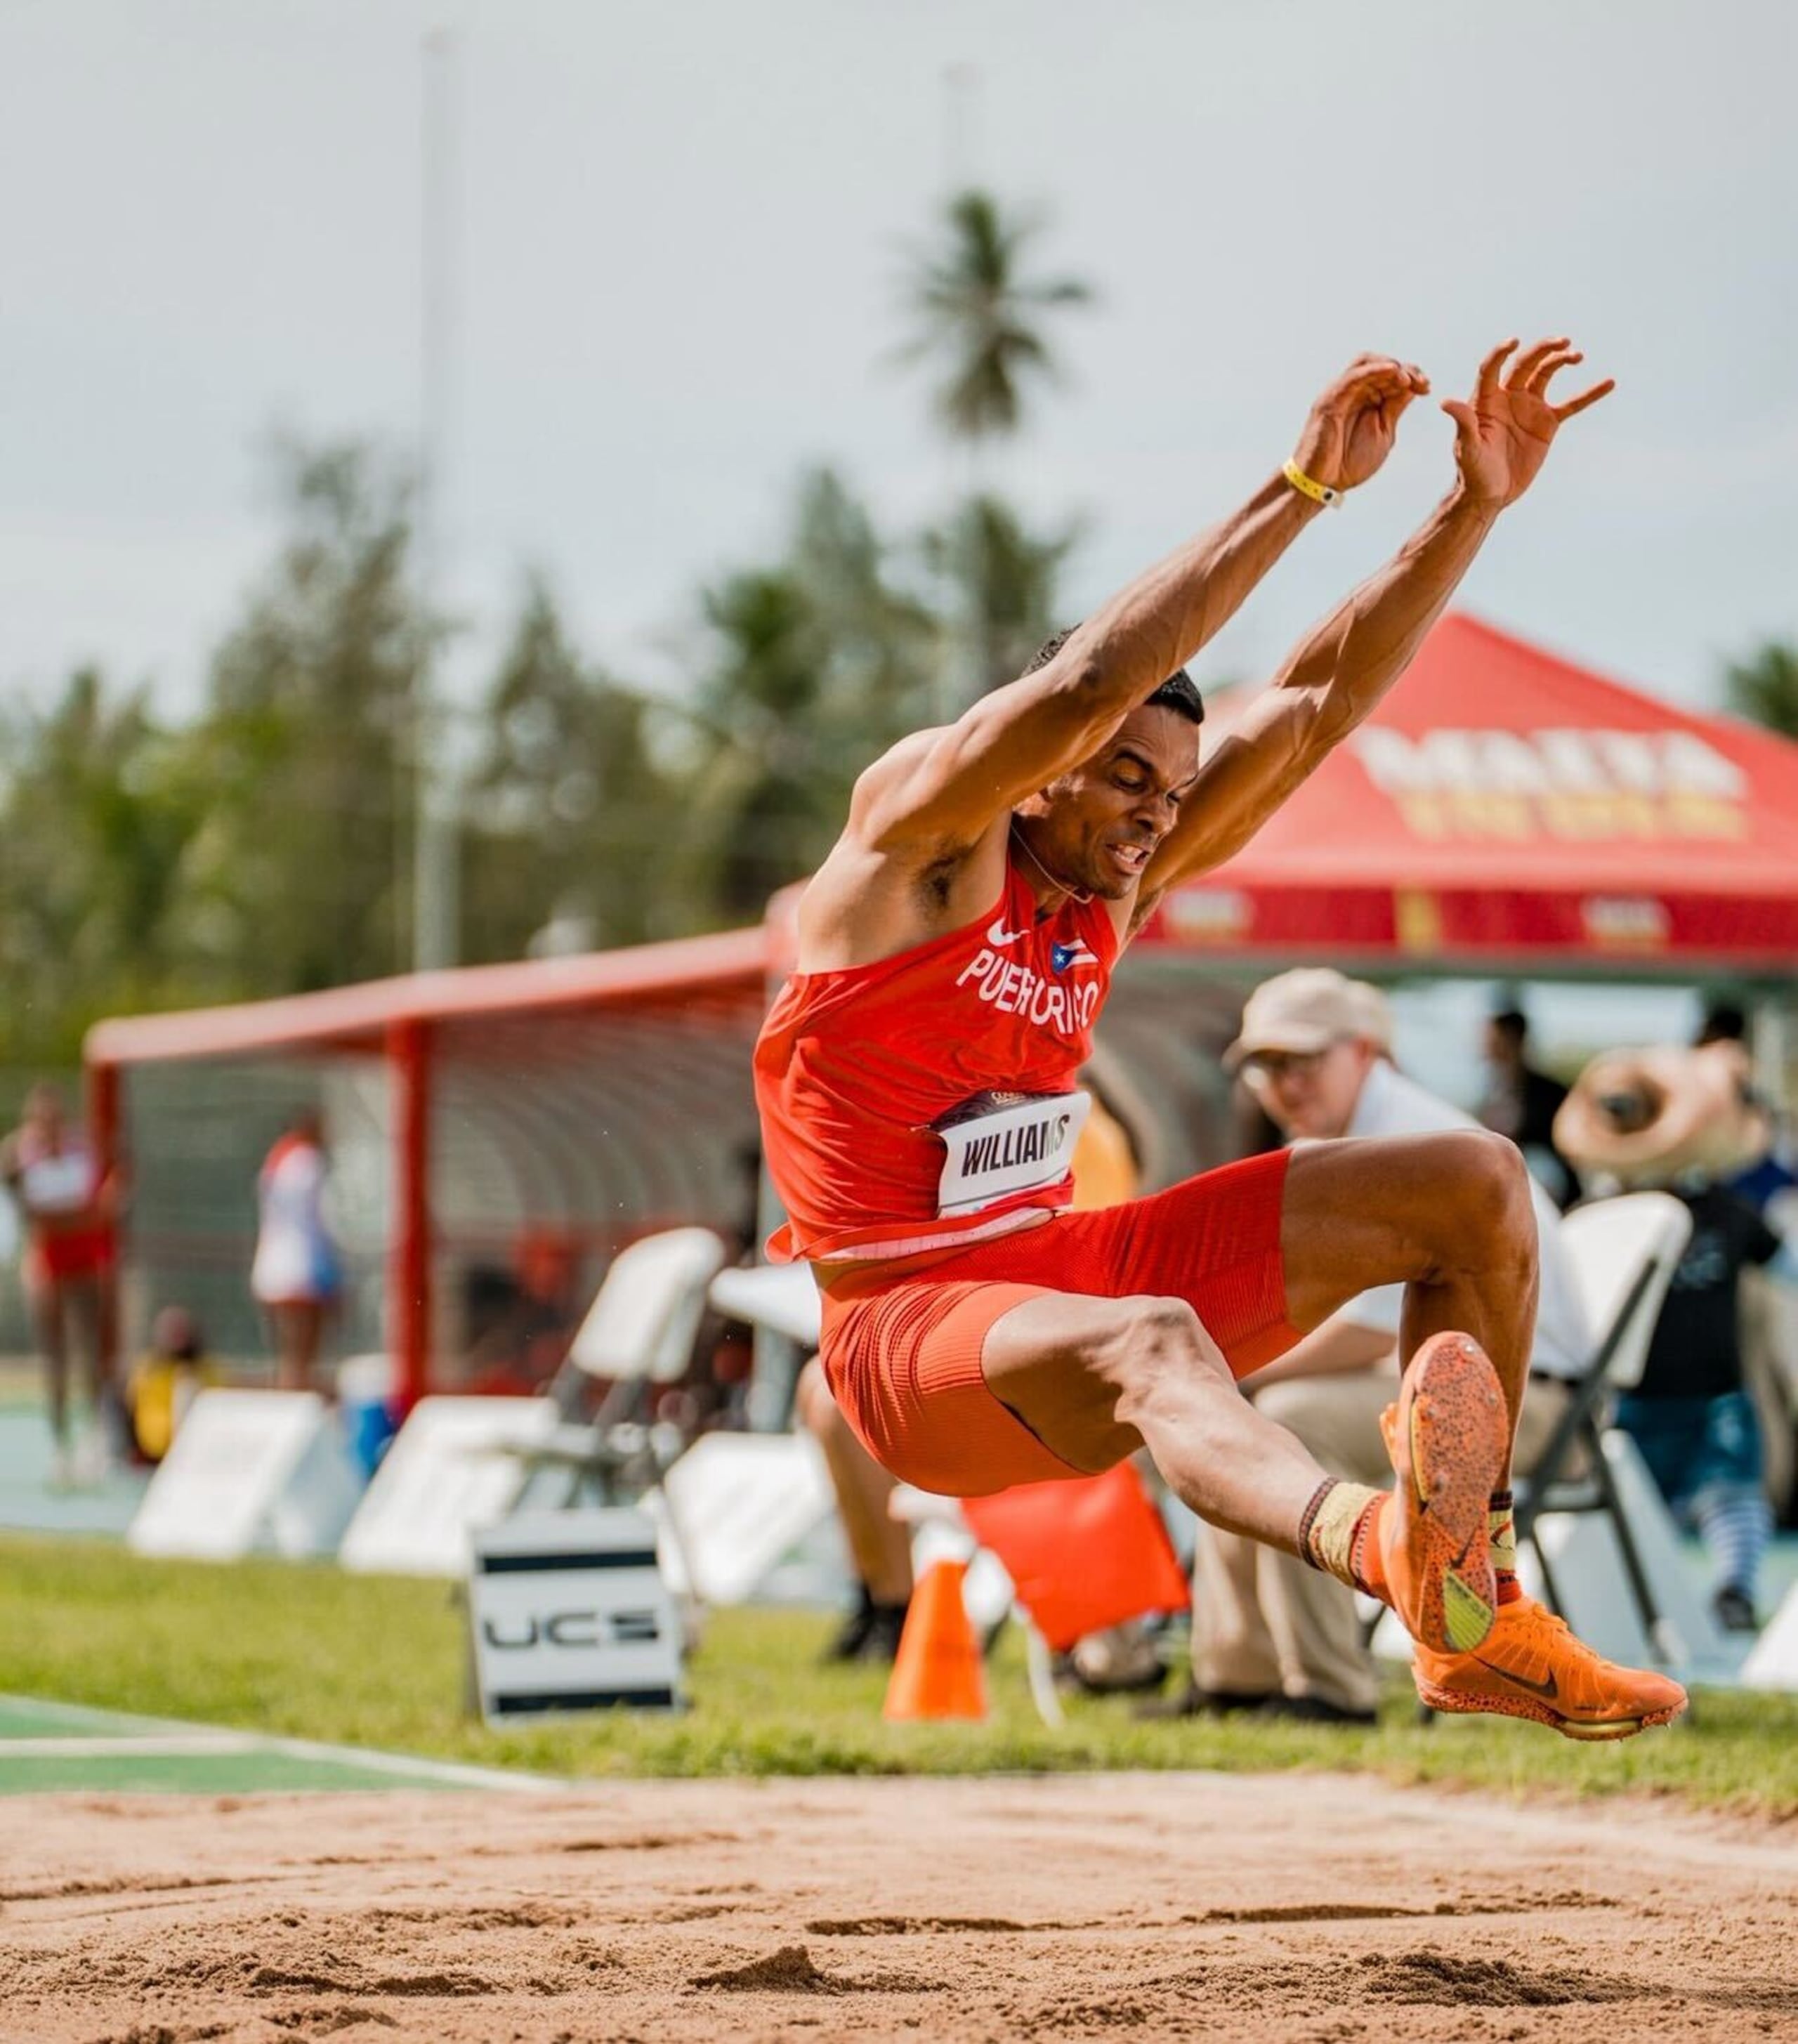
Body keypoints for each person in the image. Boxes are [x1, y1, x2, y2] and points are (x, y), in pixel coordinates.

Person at [755, 337, 1686, 1740]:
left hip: (1052, 1271)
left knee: (1471, 1184)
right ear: (1032, 772)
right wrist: (1305, 485)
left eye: (1170, 789)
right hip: (907, 1339)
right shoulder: (917, 846)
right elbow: (1078, 686)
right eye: (1124, 779)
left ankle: (1469, 1605)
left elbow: (1313, 704)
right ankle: (1385, 1556)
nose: (1151, 816)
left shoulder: (1105, 887)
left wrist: (1467, 508)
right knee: (1155, 1336)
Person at [1160, 969, 1591, 1724]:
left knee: (1285, 1415)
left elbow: (1364, 1337)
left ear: (1366, 1053)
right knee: (1238, 1413)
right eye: (1264, 1065)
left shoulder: (1405, 1142)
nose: (1280, 1082)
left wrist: (1219, 1370)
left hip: (1534, 1406)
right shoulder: (1342, 1142)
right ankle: (1239, 1673)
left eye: (1300, 1060)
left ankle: (1329, 1685)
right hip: (1453, 1390)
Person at [799, 1070, 1144, 1663]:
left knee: (838, 1397)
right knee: (826, 1389)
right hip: (982, 1325)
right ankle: (888, 1603)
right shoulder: (958, 1110)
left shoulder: (1064, 1124)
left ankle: (898, 1612)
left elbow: (1077, 1264)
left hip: (1038, 1343)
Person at [1556, 1042, 1795, 1633]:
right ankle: (1649, 1600)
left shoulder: (1727, 1211)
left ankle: (1734, 1588)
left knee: (1733, 1493)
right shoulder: (1596, 1212)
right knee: (1640, 1505)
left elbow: (1783, 1267)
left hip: (1715, 1390)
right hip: (1633, 1395)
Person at [0, 1082, 124, 1486]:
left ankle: (98, 1435)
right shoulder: (20, 1155)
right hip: (49, 1262)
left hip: (84, 1261)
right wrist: (75, 1217)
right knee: (55, 1357)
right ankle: (60, 1444)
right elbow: (38, 1218)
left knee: (92, 1349)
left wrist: (77, 1217)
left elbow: (104, 1206)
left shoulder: (83, 1151)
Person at [250, 1108, 342, 1393]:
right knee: (304, 1346)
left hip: (274, 1261)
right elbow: (322, 1216)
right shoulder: (307, 1161)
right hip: (304, 1262)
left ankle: (289, 1390)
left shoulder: (276, 1160)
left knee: (288, 1347)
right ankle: (298, 1394)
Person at [1478, 1004, 1573, 1207]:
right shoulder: (1495, 1090)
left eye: (1493, 1037)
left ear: (1511, 1038)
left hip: (1542, 1184)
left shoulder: (1548, 1092)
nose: (1485, 1044)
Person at [124, 1306, 219, 1465]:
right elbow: (131, 1411)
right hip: (153, 1455)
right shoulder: (148, 1371)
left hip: (195, 1453)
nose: (177, 1340)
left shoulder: (205, 1372)